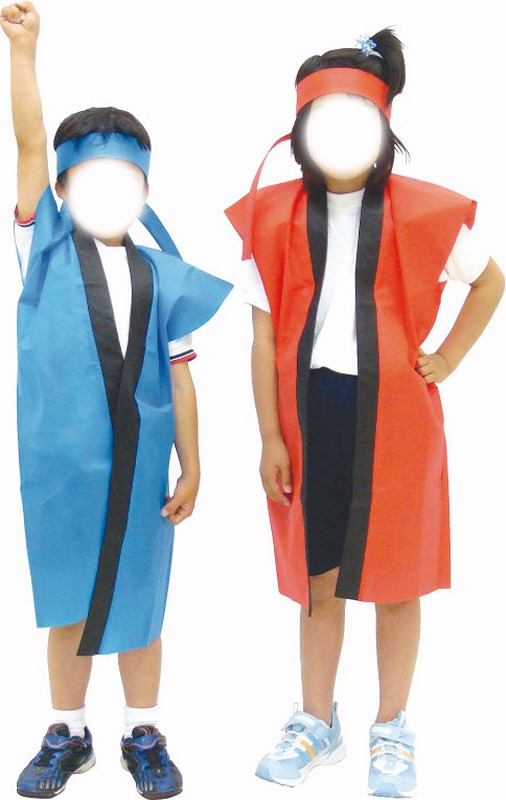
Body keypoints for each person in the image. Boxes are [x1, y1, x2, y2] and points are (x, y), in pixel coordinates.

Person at [225, 28, 504, 799]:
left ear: (383, 127)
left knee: (397, 578)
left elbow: (489, 281)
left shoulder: (420, 213)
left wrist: (447, 358)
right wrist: (270, 436)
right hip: (311, 411)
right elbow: (261, 336)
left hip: (398, 416)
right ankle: (317, 720)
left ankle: (392, 727)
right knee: (318, 576)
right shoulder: (275, 217)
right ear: (300, 131)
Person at [1, 3, 232, 798]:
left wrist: (194, 466)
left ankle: (144, 730)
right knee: (68, 603)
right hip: (60, 470)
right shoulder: (42, 249)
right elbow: (28, 141)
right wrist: (23, 53)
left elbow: (183, 374)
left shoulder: (164, 276)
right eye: (87, 179)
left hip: (142, 472)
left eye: (123, 180)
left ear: (144, 188)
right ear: (61, 189)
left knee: (140, 603)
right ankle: (67, 732)